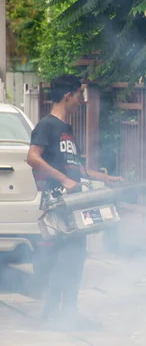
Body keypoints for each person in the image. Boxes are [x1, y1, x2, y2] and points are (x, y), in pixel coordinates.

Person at [26, 74, 123, 330]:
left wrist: (106, 178)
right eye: (79, 95)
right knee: (64, 261)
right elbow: (32, 157)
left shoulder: (66, 130)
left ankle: (64, 315)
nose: (81, 100)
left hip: (73, 206)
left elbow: (77, 168)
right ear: (68, 96)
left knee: (75, 260)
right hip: (59, 207)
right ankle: (58, 317)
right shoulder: (47, 125)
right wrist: (63, 181)